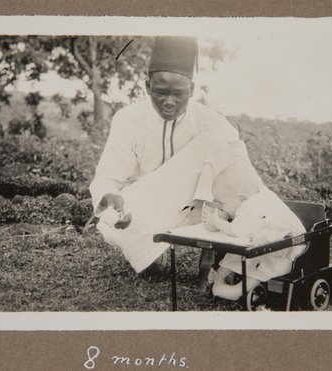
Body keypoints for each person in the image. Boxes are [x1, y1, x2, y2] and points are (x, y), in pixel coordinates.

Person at [89, 36, 257, 281]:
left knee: (217, 145)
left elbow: (244, 172)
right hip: (148, 206)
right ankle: (153, 248)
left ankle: (215, 254)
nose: (169, 101)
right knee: (150, 267)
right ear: (147, 86)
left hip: (199, 206)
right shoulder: (128, 119)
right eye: (160, 92)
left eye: (178, 94)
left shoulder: (210, 121)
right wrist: (108, 196)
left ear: (192, 90)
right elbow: (106, 178)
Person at [201, 163, 306, 301]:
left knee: (263, 265)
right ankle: (220, 275)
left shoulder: (250, 207)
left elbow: (236, 230)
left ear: (242, 198)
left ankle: (236, 291)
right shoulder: (258, 196)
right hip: (271, 241)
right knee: (239, 252)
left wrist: (217, 222)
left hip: (288, 250)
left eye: (222, 203)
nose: (221, 208)